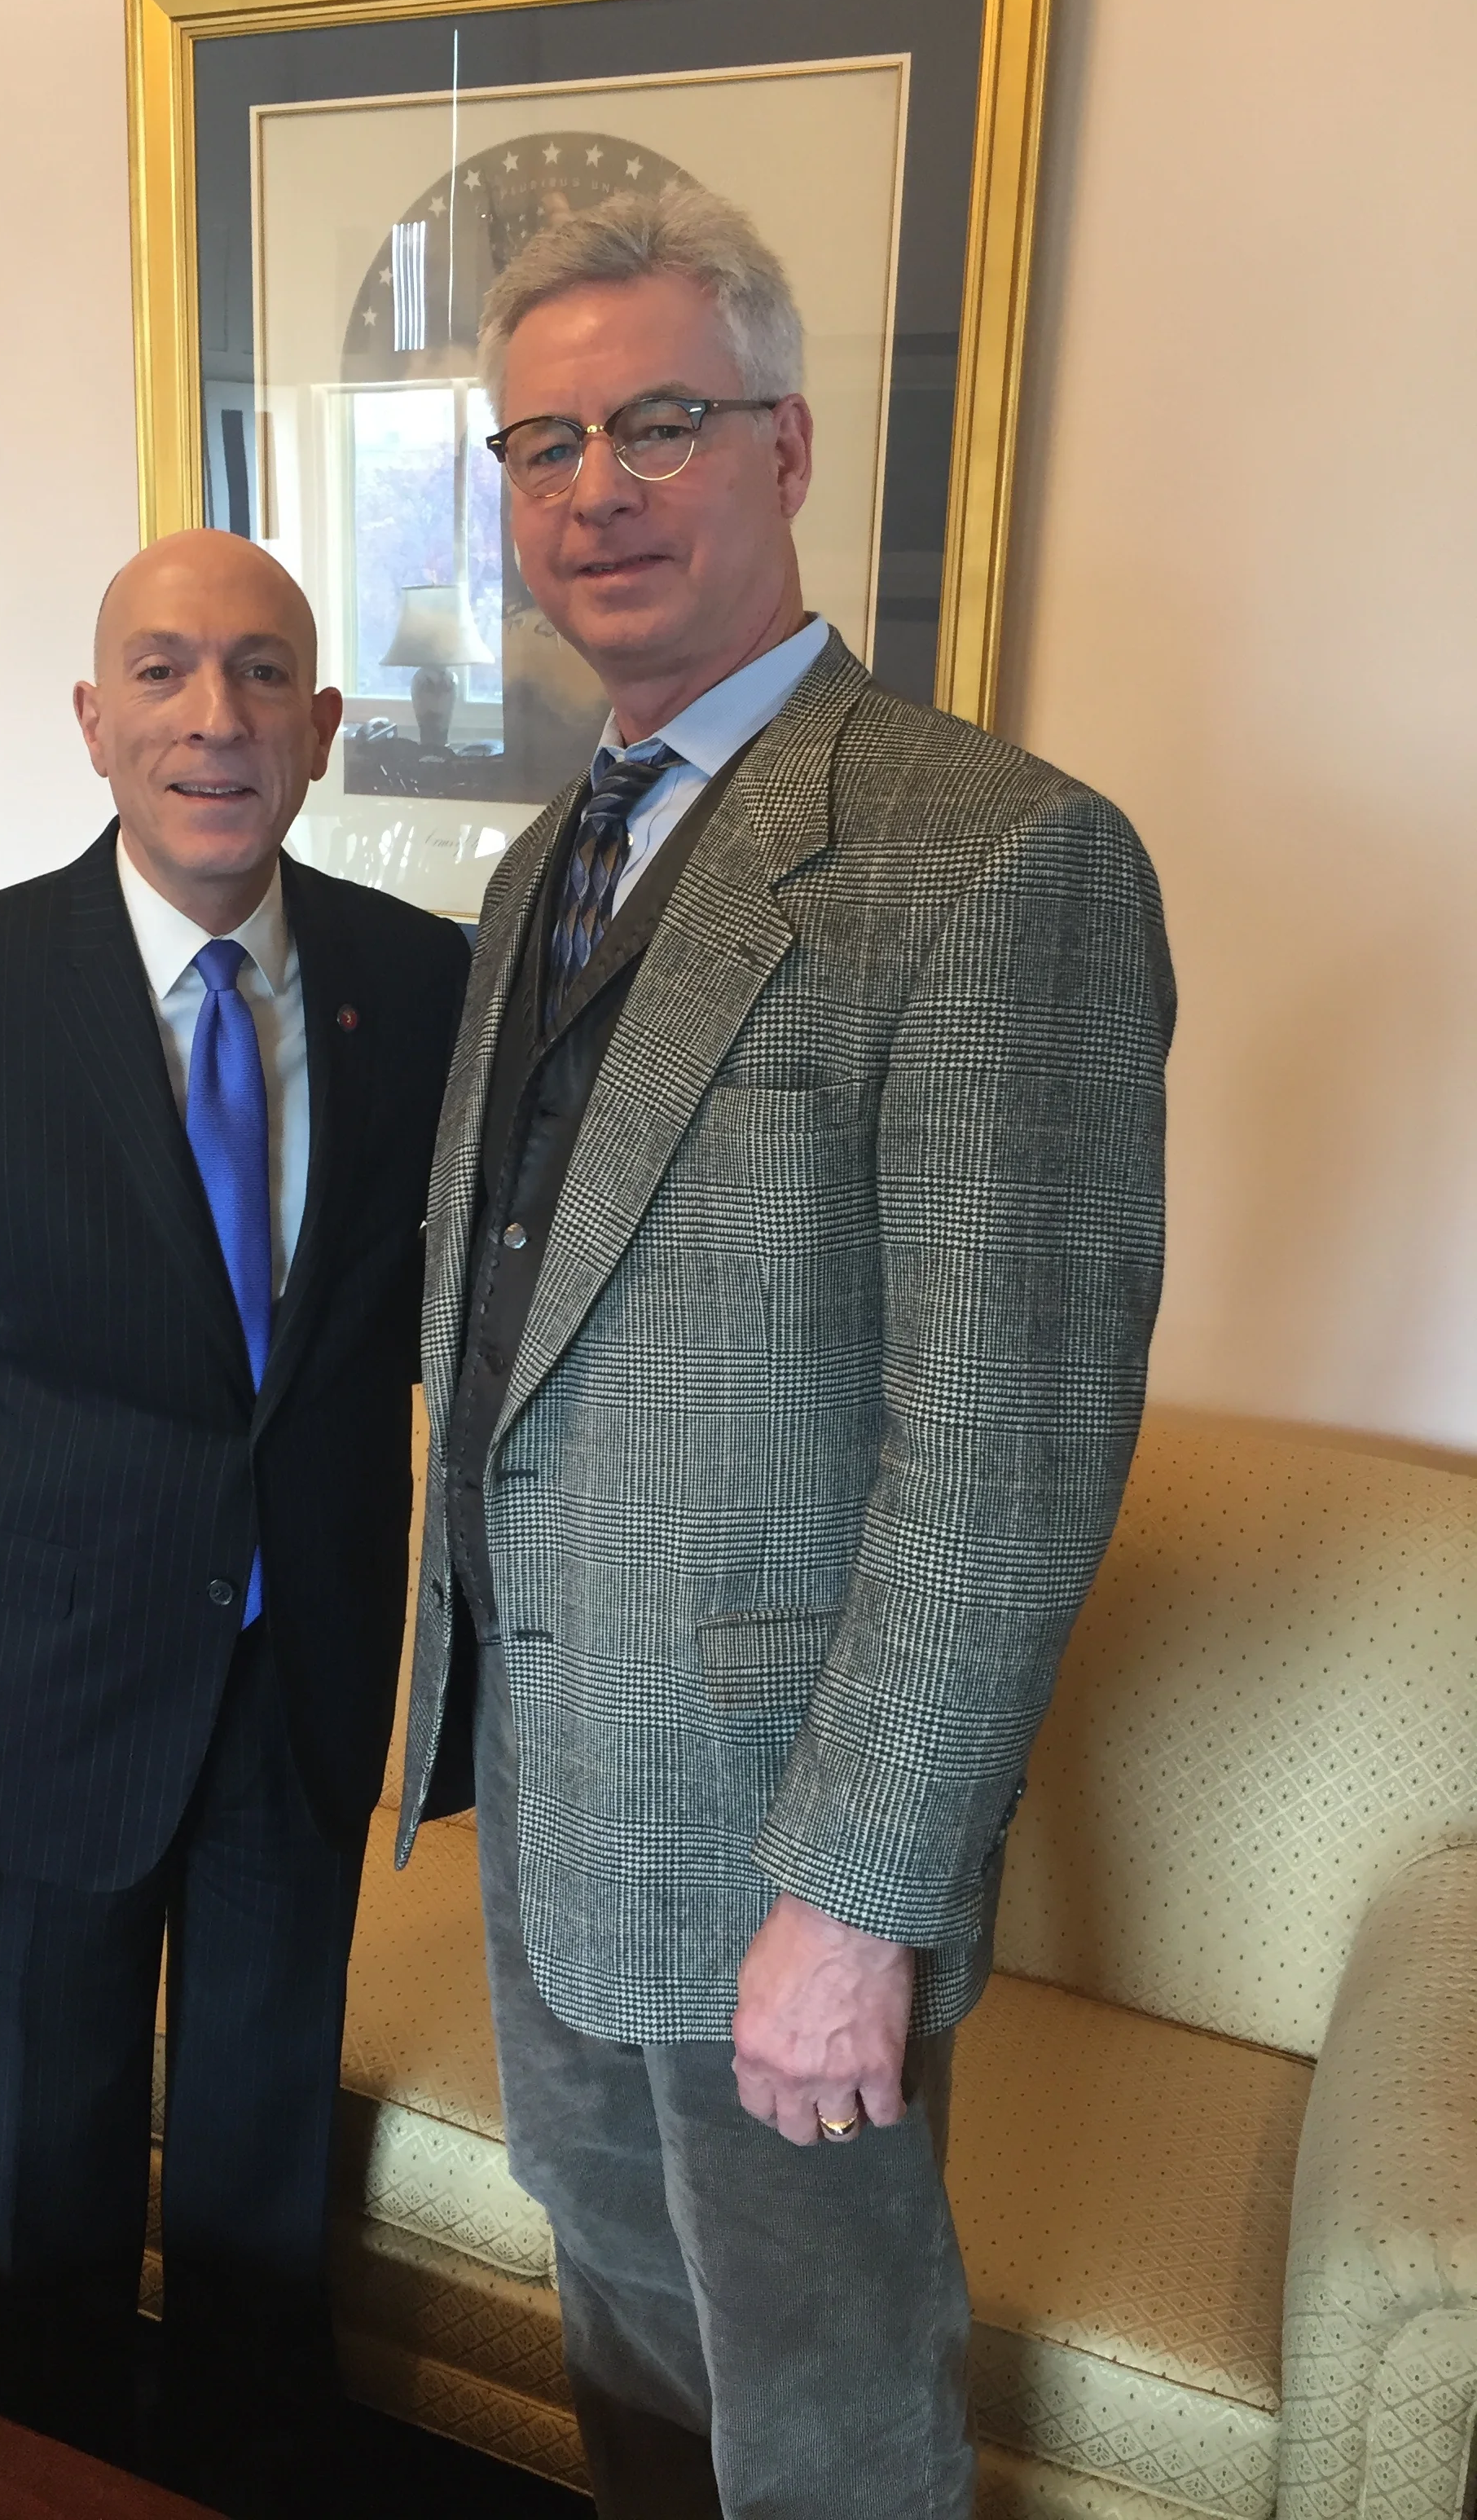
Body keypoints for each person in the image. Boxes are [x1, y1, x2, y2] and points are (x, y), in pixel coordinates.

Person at [396, 185, 1176, 2520]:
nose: (594, 490)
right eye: (541, 446)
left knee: (821, 2417)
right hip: (558, 1790)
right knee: (630, 2361)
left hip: (780, 1853)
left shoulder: (991, 856)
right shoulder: (558, 856)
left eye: (657, 423)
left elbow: (1006, 1449)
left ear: (789, 449)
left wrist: (854, 1897)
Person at [0, 530, 469, 2506]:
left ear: (322, 730)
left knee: (259, 2220)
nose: (213, 718)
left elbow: (468, 1338)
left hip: (304, 1693)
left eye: (260, 676)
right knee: (32, 2208)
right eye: (162, 672)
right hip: (39, 1707)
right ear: (94, 721)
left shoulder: (426, 987)